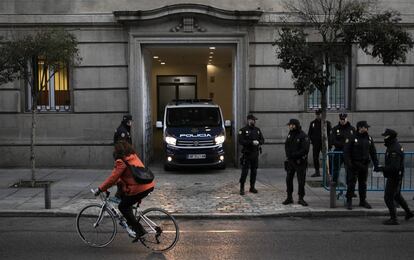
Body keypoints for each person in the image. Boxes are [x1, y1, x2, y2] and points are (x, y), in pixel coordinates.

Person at [94, 141, 155, 242]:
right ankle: (132, 226)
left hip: (139, 188)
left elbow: (112, 178)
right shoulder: (133, 156)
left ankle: (140, 231)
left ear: (117, 151)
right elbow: (127, 176)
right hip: (148, 185)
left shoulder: (121, 161)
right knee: (126, 201)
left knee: (122, 206)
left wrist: (100, 189)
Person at [377, 129, 413, 225]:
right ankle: (409, 212)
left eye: (385, 136)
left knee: (388, 197)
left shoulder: (394, 149)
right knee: (396, 195)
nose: (384, 138)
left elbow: (394, 167)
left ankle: (394, 219)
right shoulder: (393, 146)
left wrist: (382, 169)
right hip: (396, 175)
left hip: (394, 176)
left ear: (390, 137)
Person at [344, 121, 379, 210]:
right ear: (360, 127)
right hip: (354, 164)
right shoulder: (352, 137)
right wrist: (349, 164)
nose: (367, 128)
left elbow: (373, 152)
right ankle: (349, 200)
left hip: (364, 165)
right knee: (351, 183)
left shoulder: (369, 138)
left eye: (367, 127)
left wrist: (376, 164)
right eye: (365, 127)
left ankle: (362, 201)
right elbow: (346, 152)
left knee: (363, 184)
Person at [283, 119, 310, 206]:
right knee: (288, 179)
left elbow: (305, 150)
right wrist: (288, 155)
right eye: (289, 125)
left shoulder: (303, 135)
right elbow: (286, 145)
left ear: (295, 125)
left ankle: (301, 198)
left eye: (291, 125)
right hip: (291, 162)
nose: (290, 126)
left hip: (300, 162)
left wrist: (294, 155)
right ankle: (289, 197)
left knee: (301, 181)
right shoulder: (290, 134)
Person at [238, 114, 265, 195]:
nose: (254, 121)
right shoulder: (242, 130)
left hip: (255, 154)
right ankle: (242, 188)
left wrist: (259, 142)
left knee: (254, 171)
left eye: (254, 120)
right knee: (245, 172)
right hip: (247, 154)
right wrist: (251, 142)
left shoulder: (257, 130)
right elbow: (241, 141)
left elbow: (262, 139)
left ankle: (252, 187)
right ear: (248, 120)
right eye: (252, 120)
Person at [329, 113, 355, 185]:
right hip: (338, 151)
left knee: (349, 170)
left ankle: (349, 186)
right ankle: (334, 185)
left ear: (347, 118)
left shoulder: (352, 129)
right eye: (341, 119)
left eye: (344, 119)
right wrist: (344, 145)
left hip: (349, 153)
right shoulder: (335, 129)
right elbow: (332, 140)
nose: (342, 121)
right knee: (336, 168)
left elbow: (354, 140)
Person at [308, 108, 331, 177]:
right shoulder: (313, 123)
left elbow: (330, 134)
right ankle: (317, 171)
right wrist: (313, 140)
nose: (318, 116)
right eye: (317, 114)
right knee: (315, 157)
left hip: (324, 143)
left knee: (327, 157)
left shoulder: (326, 123)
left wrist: (328, 143)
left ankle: (328, 172)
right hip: (316, 144)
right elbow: (310, 134)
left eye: (319, 114)